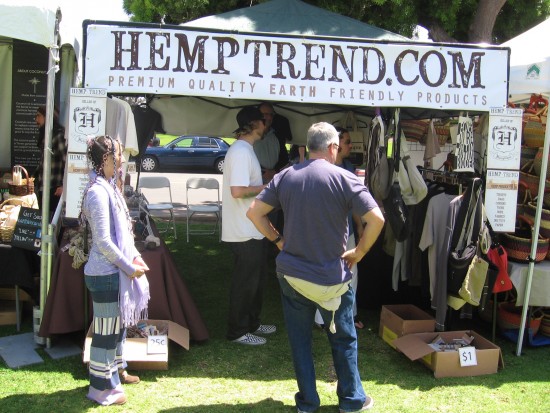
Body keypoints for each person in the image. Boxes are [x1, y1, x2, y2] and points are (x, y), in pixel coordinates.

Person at [247, 122, 385, 412]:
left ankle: (308, 403)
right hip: (332, 278)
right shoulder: (345, 178)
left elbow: (254, 213)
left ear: (309, 147)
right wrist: (359, 252)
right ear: (333, 147)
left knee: (300, 341)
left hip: (293, 276)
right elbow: (377, 219)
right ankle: (351, 400)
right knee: (343, 339)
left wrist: (278, 240)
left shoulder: (285, 176)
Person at [81, 135, 150, 406]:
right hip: (105, 274)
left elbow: (123, 236)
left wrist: (135, 258)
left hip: (113, 273)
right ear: (106, 158)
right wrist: (129, 268)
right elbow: (104, 242)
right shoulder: (98, 192)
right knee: (105, 333)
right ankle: (101, 388)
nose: (121, 159)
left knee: (117, 328)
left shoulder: (108, 187)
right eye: (118, 155)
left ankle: (116, 373)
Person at [222, 105, 276, 346]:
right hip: (243, 230)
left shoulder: (246, 150)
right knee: (245, 283)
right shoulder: (241, 152)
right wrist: (266, 187)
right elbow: (237, 191)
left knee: (256, 281)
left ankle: (252, 323)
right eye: (263, 120)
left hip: (252, 228)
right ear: (254, 124)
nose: (266, 124)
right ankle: (238, 331)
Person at [314, 126, 365, 330]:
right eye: (347, 142)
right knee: (325, 273)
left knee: (352, 273)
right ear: (334, 144)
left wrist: (359, 225)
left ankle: (350, 315)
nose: (351, 145)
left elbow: (354, 201)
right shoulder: (322, 167)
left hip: (348, 231)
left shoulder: (349, 167)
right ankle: (321, 318)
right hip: (327, 232)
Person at [34, 105, 67, 216]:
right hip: (44, 188)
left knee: (50, 222)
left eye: (38, 116)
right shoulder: (48, 136)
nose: (36, 120)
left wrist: (64, 186)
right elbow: (44, 162)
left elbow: (67, 162)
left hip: (54, 190)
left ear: (47, 117)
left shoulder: (59, 136)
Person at [254, 102, 289, 183]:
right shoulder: (251, 135)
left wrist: (274, 171)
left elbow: (284, 158)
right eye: (266, 114)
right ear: (258, 115)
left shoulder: (277, 135)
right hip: (254, 181)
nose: (269, 117)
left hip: (273, 181)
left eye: (271, 114)